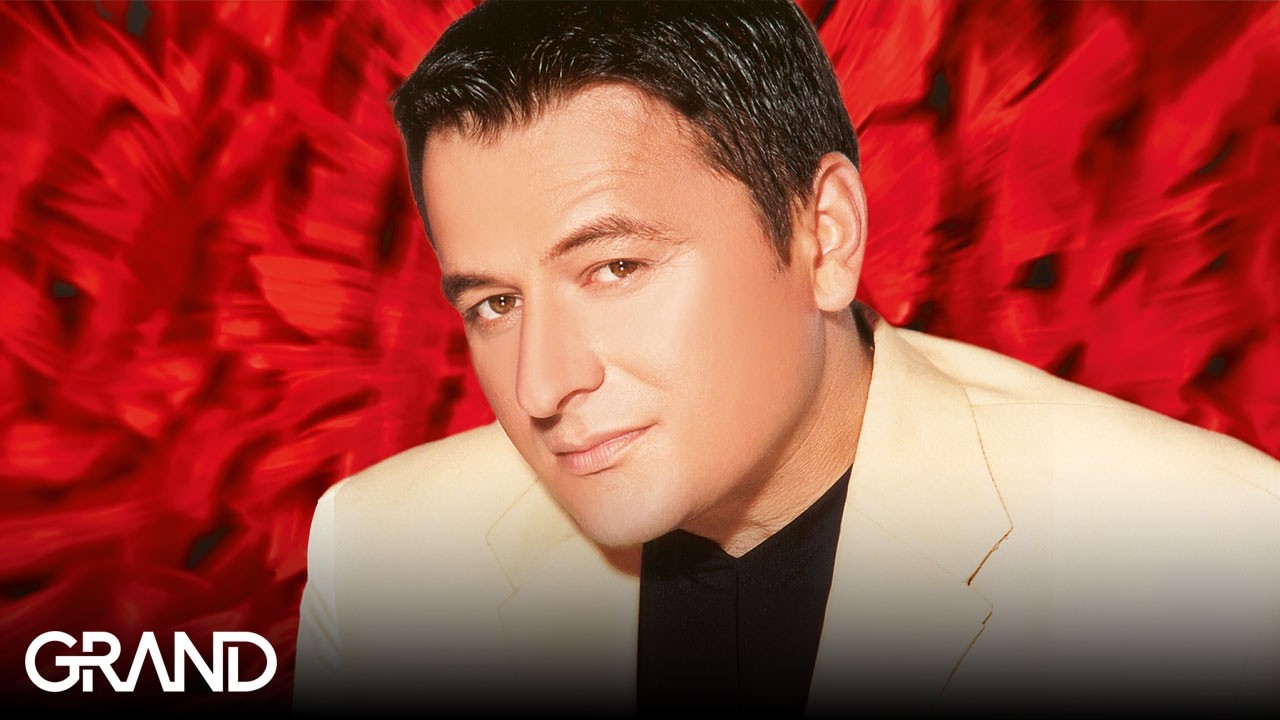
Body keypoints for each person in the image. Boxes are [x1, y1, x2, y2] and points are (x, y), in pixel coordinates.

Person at [293, 1, 1280, 715]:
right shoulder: (385, 559)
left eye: (614, 268)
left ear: (824, 236)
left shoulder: (1203, 560)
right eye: (495, 304)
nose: (543, 385)